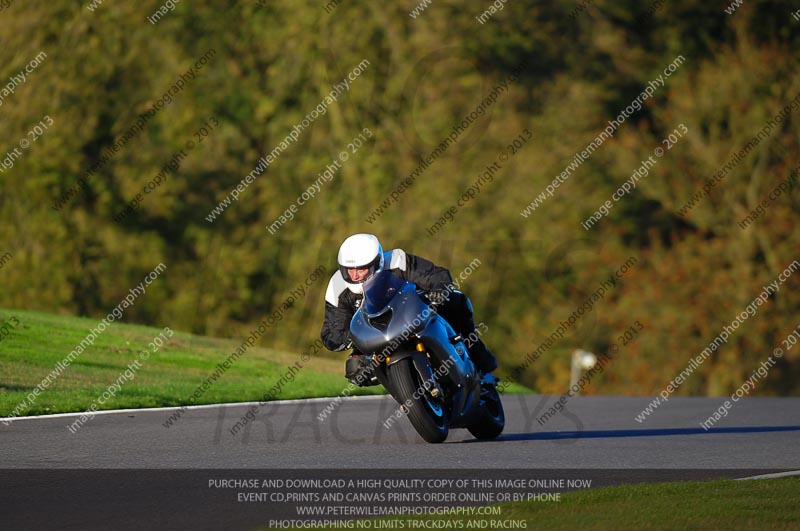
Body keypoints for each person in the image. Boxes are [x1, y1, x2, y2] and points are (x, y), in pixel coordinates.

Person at [320, 233, 498, 386]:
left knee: (455, 300)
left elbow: (435, 275)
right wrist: (350, 339)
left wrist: (438, 291)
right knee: (354, 368)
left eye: (361, 269)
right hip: (374, 336)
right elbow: (332, 331)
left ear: (377, 262)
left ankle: (477, 356)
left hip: (411, 316)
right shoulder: (337, 288)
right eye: (350, 270)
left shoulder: (397, 261)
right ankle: (405, 388)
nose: (355, 275)